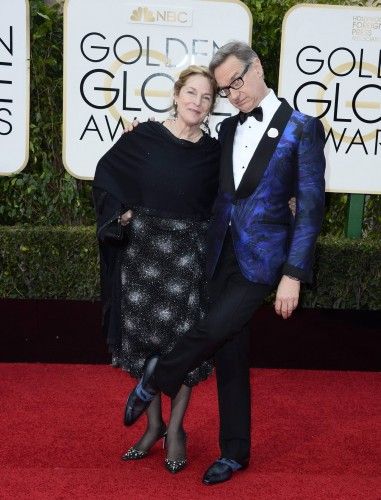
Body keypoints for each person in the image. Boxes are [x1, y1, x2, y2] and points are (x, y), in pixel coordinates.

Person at [125, 41, 326, 485]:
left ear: (257, 69)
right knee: (230, 355)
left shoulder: (302, 127)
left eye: (236, 82)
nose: (232, 95)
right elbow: (195, 172)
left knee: (213, 329)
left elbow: (310, 208)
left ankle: (156, 377)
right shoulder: (229, 132)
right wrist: (148, 137)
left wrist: (293, 273)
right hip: (218, 254)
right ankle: (234, 451)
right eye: (224, 89)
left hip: (264, 262)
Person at [93, 65, 221, 473]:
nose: (197, 103)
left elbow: (237, 194)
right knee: (148, 342)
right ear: (177, 93)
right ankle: (154, 427)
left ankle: (177, 431)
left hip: (188, 259)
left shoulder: (214, 153)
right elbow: (107, 175)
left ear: (211, 106)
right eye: (192, 93)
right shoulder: (144, 136)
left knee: (181, 348)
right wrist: (120, 215)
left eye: (206, 98)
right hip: (142, 256)